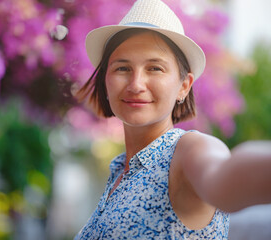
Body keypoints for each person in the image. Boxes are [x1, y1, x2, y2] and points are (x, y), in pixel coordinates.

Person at [74, 0, 271, 239]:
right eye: (122, 68)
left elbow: (223, 177)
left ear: (184, 86)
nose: (136, 84)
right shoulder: (119, 171)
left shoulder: (187, 152)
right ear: (106, 81)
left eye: (155, 68)